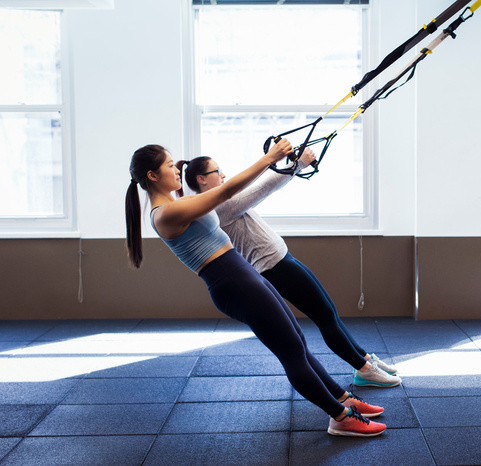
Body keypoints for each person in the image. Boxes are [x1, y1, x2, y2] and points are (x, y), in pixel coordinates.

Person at [125, 142, 385, 437]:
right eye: (169, 164)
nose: (176, 168)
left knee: (297, 341)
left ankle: (341, 398)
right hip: (231, 281)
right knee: (291, 353)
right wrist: (270, 159)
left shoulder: (176, 203)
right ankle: (340, 417)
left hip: (242, 273)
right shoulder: (165, 214)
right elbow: (225, 192)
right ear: (152, 175)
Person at [175, 150, 401, 388]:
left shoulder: (224, 200)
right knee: (324, 316)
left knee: (329, 312)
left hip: (283, 259)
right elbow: (264, 188)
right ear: (202, 179)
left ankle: (365, 359)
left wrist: (287, 163)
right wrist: (298, 165)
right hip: (274, 267)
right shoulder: (219, 207)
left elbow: (250, 181)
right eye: (217, 171)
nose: (224, 175)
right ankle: (364, 370)